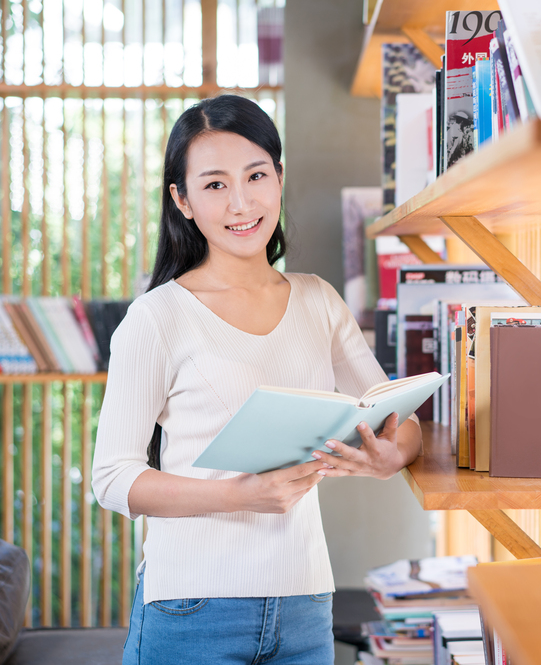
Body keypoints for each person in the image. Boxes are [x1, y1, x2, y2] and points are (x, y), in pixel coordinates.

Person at [91, 94, 422, 665]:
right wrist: (237, 495)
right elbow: (113, 479)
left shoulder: (318, 300)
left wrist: (394, 455)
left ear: (279, 177)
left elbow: (398, 416)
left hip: (304, 601)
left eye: (256, 175)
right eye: (215, 184)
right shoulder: (157, 317)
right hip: (192, 606)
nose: (241, 202)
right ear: (182, 200)